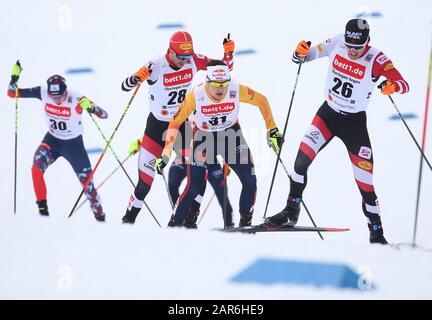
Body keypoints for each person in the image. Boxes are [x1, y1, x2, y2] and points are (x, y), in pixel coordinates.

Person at [264, 19, 410, 244]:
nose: (352, 51)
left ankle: (376, 232)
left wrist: (392, 86)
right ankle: (291, 211)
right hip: (327, 116)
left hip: (354, 124)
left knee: (365, 184)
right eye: (350, 46)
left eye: (357, 47)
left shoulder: (377, 59)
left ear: (367, 42)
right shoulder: (337, 43)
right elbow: (303, 57)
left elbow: (403, 83)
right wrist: (299, 51)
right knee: (300, 161)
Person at [122, 31, 235, 224]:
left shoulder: (194, 60)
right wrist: (136, 78)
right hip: (156, 128)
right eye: (181, 56)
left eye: (187, 56)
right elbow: (125, 86)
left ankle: (190, 219)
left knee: (198, 176)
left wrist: (229, 54)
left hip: (181, 126)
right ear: (170, 51)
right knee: (144, 185)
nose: (184, 60)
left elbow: (223, 69)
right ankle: (128, 221)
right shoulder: (156, 65)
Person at [155, 60, 283, 227]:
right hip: (204, 139)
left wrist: (272, 128)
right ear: (208, 81)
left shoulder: (236, 90)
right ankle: (175, 223)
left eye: (224, 84)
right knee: (194, 185)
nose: (220, 89)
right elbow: (175, 121)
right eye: (215, 84)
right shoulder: (197, 94)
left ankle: (246, 223)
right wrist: (166, 153)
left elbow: (262, 100)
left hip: (231, 136)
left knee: (250, 180)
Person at [7, 62, 108, 221]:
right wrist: (14, 77)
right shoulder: (42, 92)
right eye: (54, 97)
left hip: (73, 145)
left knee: (88, 187)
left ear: (65, 92)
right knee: (36, 168)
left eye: (60, 97)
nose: (57, 100)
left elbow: (104, 115)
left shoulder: (75, 97)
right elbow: (12, 94)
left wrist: (91, 108)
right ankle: (43, 212)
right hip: (53, 141)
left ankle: (101, 218)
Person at [168, 152, 235, 228]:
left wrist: (227, 162)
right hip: (183, 156)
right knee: (172, 183)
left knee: (221, 192)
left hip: (209, 159)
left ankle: (229, 224)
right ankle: (180, 217)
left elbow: (225, 142)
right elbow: (169, 142)